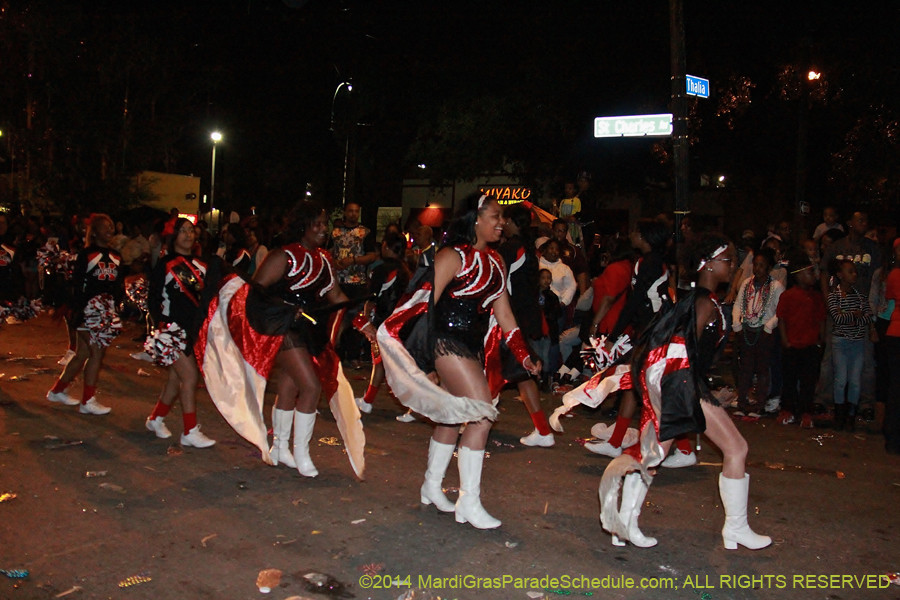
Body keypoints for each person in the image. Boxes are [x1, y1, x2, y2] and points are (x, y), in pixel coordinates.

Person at [376, 193, 540, 529]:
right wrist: (425, 363)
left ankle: (431, 486)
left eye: (502, 217)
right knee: (481, 413)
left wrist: (523, 354)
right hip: (445, 342)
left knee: (452, 418)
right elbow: (424, 305)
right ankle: (469, 501)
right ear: (475, 219)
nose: (502, 222)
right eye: (495, 216)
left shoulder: (496, 260)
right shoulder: (452, 256)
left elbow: (504, 313)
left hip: (471, 346)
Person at [599, 234, 771, 551]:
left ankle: (625, 524)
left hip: (684, 385)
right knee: (734, 448)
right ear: (708, 264)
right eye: (728, 260)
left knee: (654, 454)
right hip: (683, 386)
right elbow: (677, 352)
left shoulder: (699, 301)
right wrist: (683, 395)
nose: (734, 265)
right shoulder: (702, 303)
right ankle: (735, 529)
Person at [248, 202, 358, 477]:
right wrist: (285, 308)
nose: (323, 229)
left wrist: (363, 321)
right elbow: (255, 291)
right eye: (317, 224)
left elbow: (336, 296)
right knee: (311, 386)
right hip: (283, 326)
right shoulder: (282, 256)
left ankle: (279, 448)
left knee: (290, 385)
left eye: (324, 224)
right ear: (303, 225)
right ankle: (301, 452)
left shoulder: (324, 258)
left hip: (309, 329)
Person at [587, 219, 672, 459]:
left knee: (644, 388)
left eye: (636, 231)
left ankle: (620, 443)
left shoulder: (651, 263)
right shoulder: (648, 261)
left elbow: (635, 302)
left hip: (654, 333)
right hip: (649, 331)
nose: (632, 235)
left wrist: (614, 336)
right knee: (638, 387)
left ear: (644, 237)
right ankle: (617, 441)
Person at [144, 218, 222, 448]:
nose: (188, 235)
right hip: (170, 329)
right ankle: (189, 431)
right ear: (173, 236)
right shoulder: (165, 264)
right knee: (189, 377)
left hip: (191, 330)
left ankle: (156, 419)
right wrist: (158, 327)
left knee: (175, 378)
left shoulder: (203, 265)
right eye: (183, 231)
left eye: (191, 231)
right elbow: (153, 298)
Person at [46, 214, 123, 415]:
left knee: (82, 354)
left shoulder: (117, 256)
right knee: (97, 352)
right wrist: (75, 311)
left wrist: (114, 307)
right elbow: (77, 285)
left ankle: (57, 391)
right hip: (86, 312)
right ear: (94, 232)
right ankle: (87, 401)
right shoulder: (87, 254)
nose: (110, 230)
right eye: (105, 227)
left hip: (104, 312)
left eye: (111, 226)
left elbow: (117, 285)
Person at [499, 204, 554, 447]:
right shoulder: (527, 249)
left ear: (513, 222)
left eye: (504, 219)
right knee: (521, 374)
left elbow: (498, 285)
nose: (502, 223)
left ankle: (469, 423)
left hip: (506, 320)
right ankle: (542, 430)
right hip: (519, 319)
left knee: (514, 372)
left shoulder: (510, 248)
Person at [353, 232, 411, 415]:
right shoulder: (407, 270)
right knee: (394, 363)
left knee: (381, 361)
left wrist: (365, 319)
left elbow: (371, 297)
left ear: (385, 246)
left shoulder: (381, 269)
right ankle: (369, 400)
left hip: (385, 322)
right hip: (403, 321)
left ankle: (370, 402)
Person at [775, 253, 826, 428]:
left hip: (810, 346)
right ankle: (788, 410)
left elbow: (821, 320)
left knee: (808, 382)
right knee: (789, 381)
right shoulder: (788, 296)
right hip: (792, 345)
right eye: (809, 272)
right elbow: (782, 319)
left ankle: (806, 412)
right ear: (798, 275)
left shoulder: (816, 297)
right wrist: (785, 341)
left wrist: (820, 341)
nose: (814, 276)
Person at [732, 248, 783, 415]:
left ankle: (760, 404)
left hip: (764, 331)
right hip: (747, 329)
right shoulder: (746, 283)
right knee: (745, 368)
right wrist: (737, 323)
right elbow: (738, 305)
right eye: (756, 265)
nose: (758, 268)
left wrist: (769, 326)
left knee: (762, 369)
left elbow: (780, 311)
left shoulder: (776, 286)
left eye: (762, 265)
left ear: (768, 267)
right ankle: (742, 402)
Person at [827, 259, 876, 431]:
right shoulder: (834, 296)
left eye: (854, 271)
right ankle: (840, 416)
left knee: (855, 381)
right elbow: (837, 318)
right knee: (841, 379)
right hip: (841, 342)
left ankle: (850, 416)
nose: (854, 274)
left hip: (856, 342)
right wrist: (856, 315)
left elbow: (868, 316)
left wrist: (851, 317)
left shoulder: (860, 296)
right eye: (850, 271)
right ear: (840, 275)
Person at [330, 202, 377, 369]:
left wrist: (354, 260)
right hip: (339, 282)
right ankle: (335, 354)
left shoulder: (365, 233)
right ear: (345, 213)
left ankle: (354, 355)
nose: (353, 214)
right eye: (350, 211)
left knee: (356, 319)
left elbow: (372, 255)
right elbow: (328, 251)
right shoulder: (335, 233)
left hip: (357, 282)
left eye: (356, 211)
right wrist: (334, 262)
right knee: (337, 320)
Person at [881, 240, 900, 454]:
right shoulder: (894, 274)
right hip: (896, 331)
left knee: (895, 386)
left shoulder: (894, 274)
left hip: (894, 331)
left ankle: (892, 436)